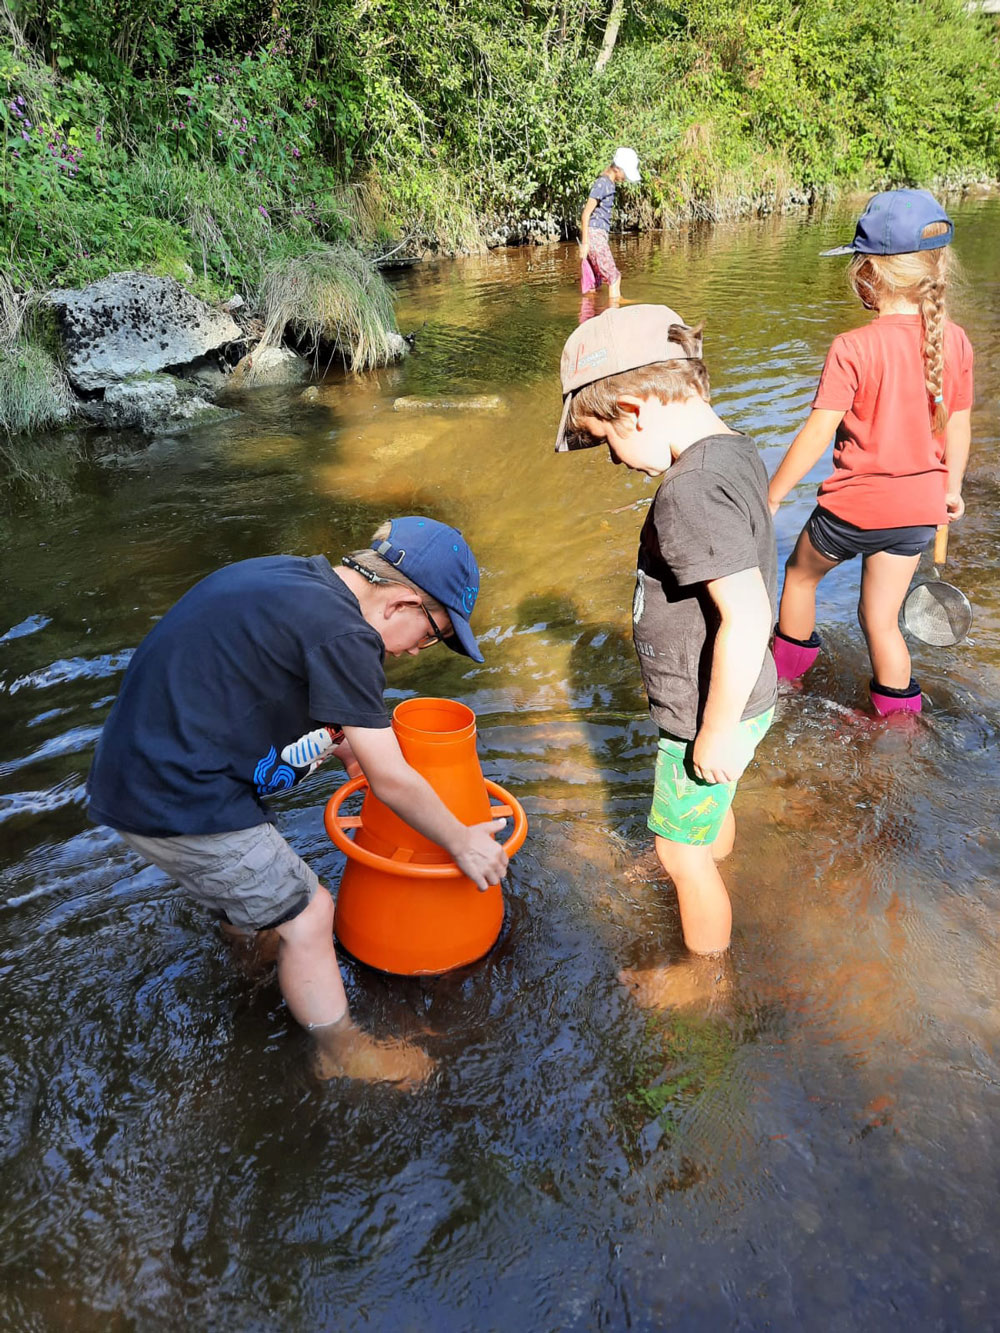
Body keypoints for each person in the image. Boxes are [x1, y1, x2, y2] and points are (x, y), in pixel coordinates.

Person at [87, 516, 509, 1085]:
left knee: (267, 900)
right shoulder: (348, 637)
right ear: (401, 603)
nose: (415, 653)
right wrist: (462, 841)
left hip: (140, 770)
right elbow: (392, 780)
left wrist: (340, 747)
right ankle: (342, 1052)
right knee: (311, 915)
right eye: (432, 634)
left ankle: (254, 962)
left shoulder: (295, 582)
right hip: (179, 794)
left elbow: (257, 677)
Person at [553, 304, 777, 986]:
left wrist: (708, 733)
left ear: (634, 408)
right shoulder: (732, 450)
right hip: (743, 695)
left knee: (680, 856)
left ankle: (703, 976)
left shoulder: (688, 492)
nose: (617, 461)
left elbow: (745, 613)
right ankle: (707, 846)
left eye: (607, 441)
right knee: (709, 809)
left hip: (710, 706)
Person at [767, 188, 974, 716]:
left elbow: (817, 433)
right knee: (880, 621)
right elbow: (960, 424)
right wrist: (950, 490)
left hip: (854, 509)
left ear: (870, 275)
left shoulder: (852, 347)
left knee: (799, 574)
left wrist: (770, 497)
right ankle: (899, 724)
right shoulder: (956, 341)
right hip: (918, 513)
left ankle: (785, 687)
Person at [578, 146, 641, 305]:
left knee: (595, 282)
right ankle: (615, 309)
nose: (626, 178)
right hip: (594, 236)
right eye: (625, 173)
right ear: (617, 169)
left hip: (597, 236)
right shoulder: (603, 183)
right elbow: (585, 215)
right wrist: (585, 244)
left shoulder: (609, 183)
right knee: (614, 277)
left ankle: (593, 312)